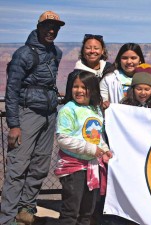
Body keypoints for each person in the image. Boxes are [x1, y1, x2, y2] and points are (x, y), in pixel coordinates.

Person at [1, 11, 65, 225]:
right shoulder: (24, 54)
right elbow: (12, 89)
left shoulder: (56, 52)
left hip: (49, 115)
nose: (52, 30)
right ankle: (7, 218)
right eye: (48, 26)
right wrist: (14, 125)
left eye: (55, 27)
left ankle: (25, 210)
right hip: (27, 114)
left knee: (40, 165)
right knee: (18, 167)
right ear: (39, 27)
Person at [55, 71, 112, 224]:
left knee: (88, 211)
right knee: (71, 211)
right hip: (73, 168)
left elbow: (97, 135)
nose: (79, 90)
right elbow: (63, 139)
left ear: (93, 89)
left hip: (92, 166)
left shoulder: (95, 109)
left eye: (84, 87)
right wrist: (91, 149)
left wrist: (104, 149)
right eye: (75, 86)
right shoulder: (68, 110)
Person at [64, 34, 112, 102]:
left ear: (102, 51)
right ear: (83, 51)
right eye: (88, 48)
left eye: (96, 48)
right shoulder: (75, 75)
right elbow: (69, 100)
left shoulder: (110, 70)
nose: (92, 51)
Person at [100, 43, 146, 108]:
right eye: (125, 58)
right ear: (119, 60)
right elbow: (101, 100)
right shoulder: (109, 79)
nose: (129, 62)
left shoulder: (147, 78)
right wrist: (104, 104)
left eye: (133, 58)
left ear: (140, 60)